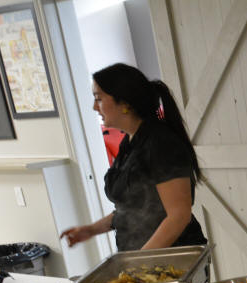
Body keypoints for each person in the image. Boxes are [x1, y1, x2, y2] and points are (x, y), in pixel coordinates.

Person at [61, 64, 206, 252]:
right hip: (143, 257)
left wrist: (138, 261)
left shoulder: (161, 144)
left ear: (124, 103)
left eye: (99, 99)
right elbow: (131, 209)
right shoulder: (130, 142)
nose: (94, 107)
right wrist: (91, 230)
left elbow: (179, 216)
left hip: (174, 256)